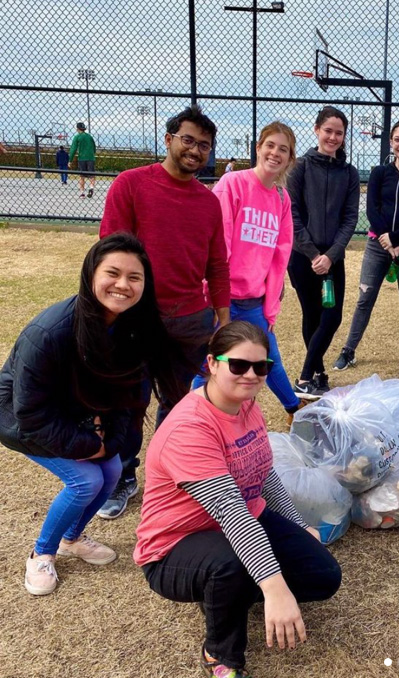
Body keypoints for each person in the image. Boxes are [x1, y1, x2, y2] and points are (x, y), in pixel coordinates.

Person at [134, 321, 342, 678]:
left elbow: (265, 475)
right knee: (230, 564)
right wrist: (274, 588)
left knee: (324, 575)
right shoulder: (190, 428)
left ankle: (233, 591)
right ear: (212, 364)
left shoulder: (247, 406)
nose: (251, 375)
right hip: (173, 546)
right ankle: (220, 654)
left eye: (261, 367)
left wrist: (298, 523)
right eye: (238, 365)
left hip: (245, 520)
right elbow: (230, 513)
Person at [0, 233, 183, 596]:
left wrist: (109, 443)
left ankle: (71, 539)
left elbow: (128, 394)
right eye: (112, 273)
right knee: (85, 481)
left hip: (73, 412)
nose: (122, 285)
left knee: (113, 470)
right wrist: (90, 445)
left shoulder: (131, 325)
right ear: (90, 274)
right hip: (20, 418)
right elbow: (31, 412)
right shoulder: (50, 331)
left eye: (135, 277)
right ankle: (42, 552)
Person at [98, 104, 230, 519]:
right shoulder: (132, 184)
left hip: (191, 318)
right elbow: (110, 250)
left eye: (204, 145)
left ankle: (172, 471)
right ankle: (123, 476)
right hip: (138, 317)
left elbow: (217, 263)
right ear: (169, 139)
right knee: (129, 401)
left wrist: (222, 315)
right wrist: (114, 309)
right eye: (188, 140)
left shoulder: (208, 202)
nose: (195, 150)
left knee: (181, 403)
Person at [200, 121, 304, 420]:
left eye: (283, 149)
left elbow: (279, 256)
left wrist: (270, 307)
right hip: (222, 298)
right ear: (258, 148)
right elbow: (219, 247)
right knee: (209, 364)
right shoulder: (233, 184)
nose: (275, 153)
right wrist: (215, 301)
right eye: (270, 145)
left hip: (254, 301)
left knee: (268, 359)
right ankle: (186, 419)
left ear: (290, 158)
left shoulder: (282, 199)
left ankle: (295, 412)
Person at [333, 119, 399, 372]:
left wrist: (397, 239)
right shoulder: (380, 173)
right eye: (397, 139)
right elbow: (373, 210)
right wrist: (387, 242)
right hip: (378, 245)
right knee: (365, 297)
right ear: (391, 142)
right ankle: (349, 350)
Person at [287, 106, 360, 397]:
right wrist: (311, 253)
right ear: (317, 130)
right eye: (327, 130)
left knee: (332, 317)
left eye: (338, 132)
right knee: (312, 315)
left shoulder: (349, 173)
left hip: (333, 258)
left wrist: (331, 255)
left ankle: (305, 375)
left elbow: (350, 217)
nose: (332, 137)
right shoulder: (300, 167)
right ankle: (318, 374)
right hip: (303, 259)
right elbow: (291, 213)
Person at [69, 122, 96, 198]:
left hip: (82, 158)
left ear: (77, 129)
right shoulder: (89, 137)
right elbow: (94, 147)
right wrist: (92, 154)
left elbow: (73, 149)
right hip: (90, 157)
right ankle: (91, 187)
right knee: (92, 175)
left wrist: (70, 160)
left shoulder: (77, 137)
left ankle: (82, 193)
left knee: (82, 176)